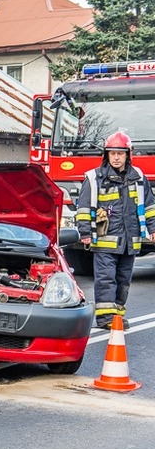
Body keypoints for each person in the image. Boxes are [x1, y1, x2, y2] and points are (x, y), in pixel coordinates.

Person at [75, 131, 155, 330]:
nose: (116, 157)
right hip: (104, 241)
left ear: (128, 155)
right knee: (106, 279)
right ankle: (105, 318)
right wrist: (85, 233)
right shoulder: (95, 178)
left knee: (123, 280)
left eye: (120, 153)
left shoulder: (138, 178)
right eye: (112, 153)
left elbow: (149, 206)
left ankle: (117, 316)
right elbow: (83, 208)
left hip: (130, 241)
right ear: (107, 155)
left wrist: (153, 228)